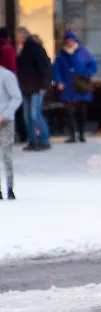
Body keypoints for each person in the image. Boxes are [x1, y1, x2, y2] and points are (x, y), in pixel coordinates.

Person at [53, 31, 97, 143]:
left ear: (75, 41)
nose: (69, 43)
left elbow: (93, 65)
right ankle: (72, 135)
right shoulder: (61, 54)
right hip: (67, 86)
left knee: (82, 111)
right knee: (69, 112)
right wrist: (59, 81)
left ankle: (81, 134)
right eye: (67, 41)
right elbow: (56, 69)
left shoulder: (83, 52)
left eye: (71, 41)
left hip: (80, 85)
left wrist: (85, 73)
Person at [15, 27, 51, 151]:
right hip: (27, 87)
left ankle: (44, 140)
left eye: (17, 36)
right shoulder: (23, 49)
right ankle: (33, 140)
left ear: (22, 36)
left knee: (35, 115)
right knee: (28, 116)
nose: (16, 38)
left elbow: (45, 67)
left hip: (36, 87)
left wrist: (43, 85)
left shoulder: (35, 48)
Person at [0, 63, 21, 200]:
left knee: (6, 154)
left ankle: (9, 187)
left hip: (5, 122)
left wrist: (5, 115)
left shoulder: (6, 76)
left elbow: (16, 97)